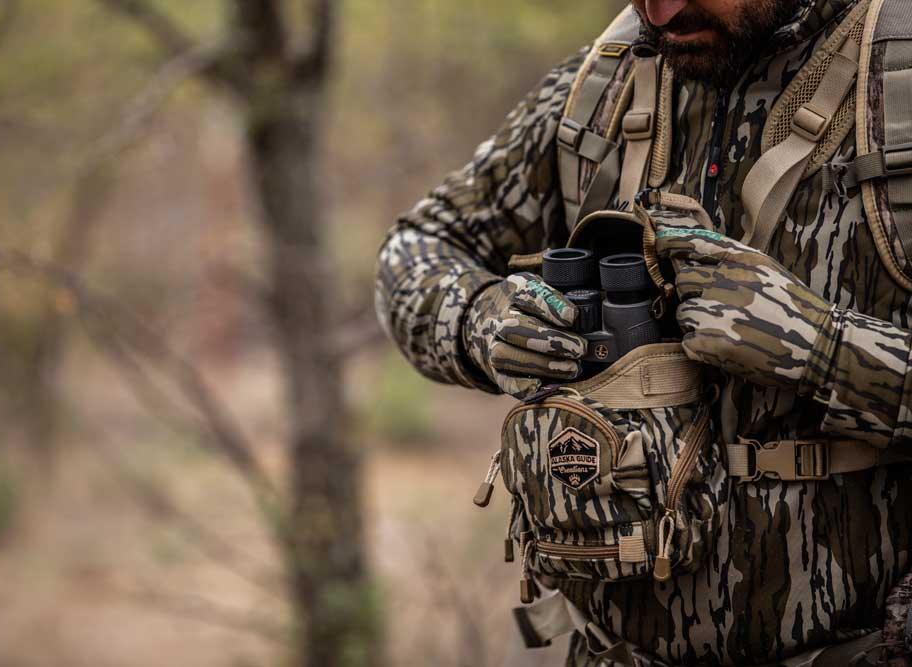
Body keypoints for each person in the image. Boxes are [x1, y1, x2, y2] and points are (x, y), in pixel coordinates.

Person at [375, 0, 912, 664]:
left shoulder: (898, 86)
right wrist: (480, 319)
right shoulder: (606, 87)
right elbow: (416, 249)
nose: (660, 10)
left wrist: (819, 346)